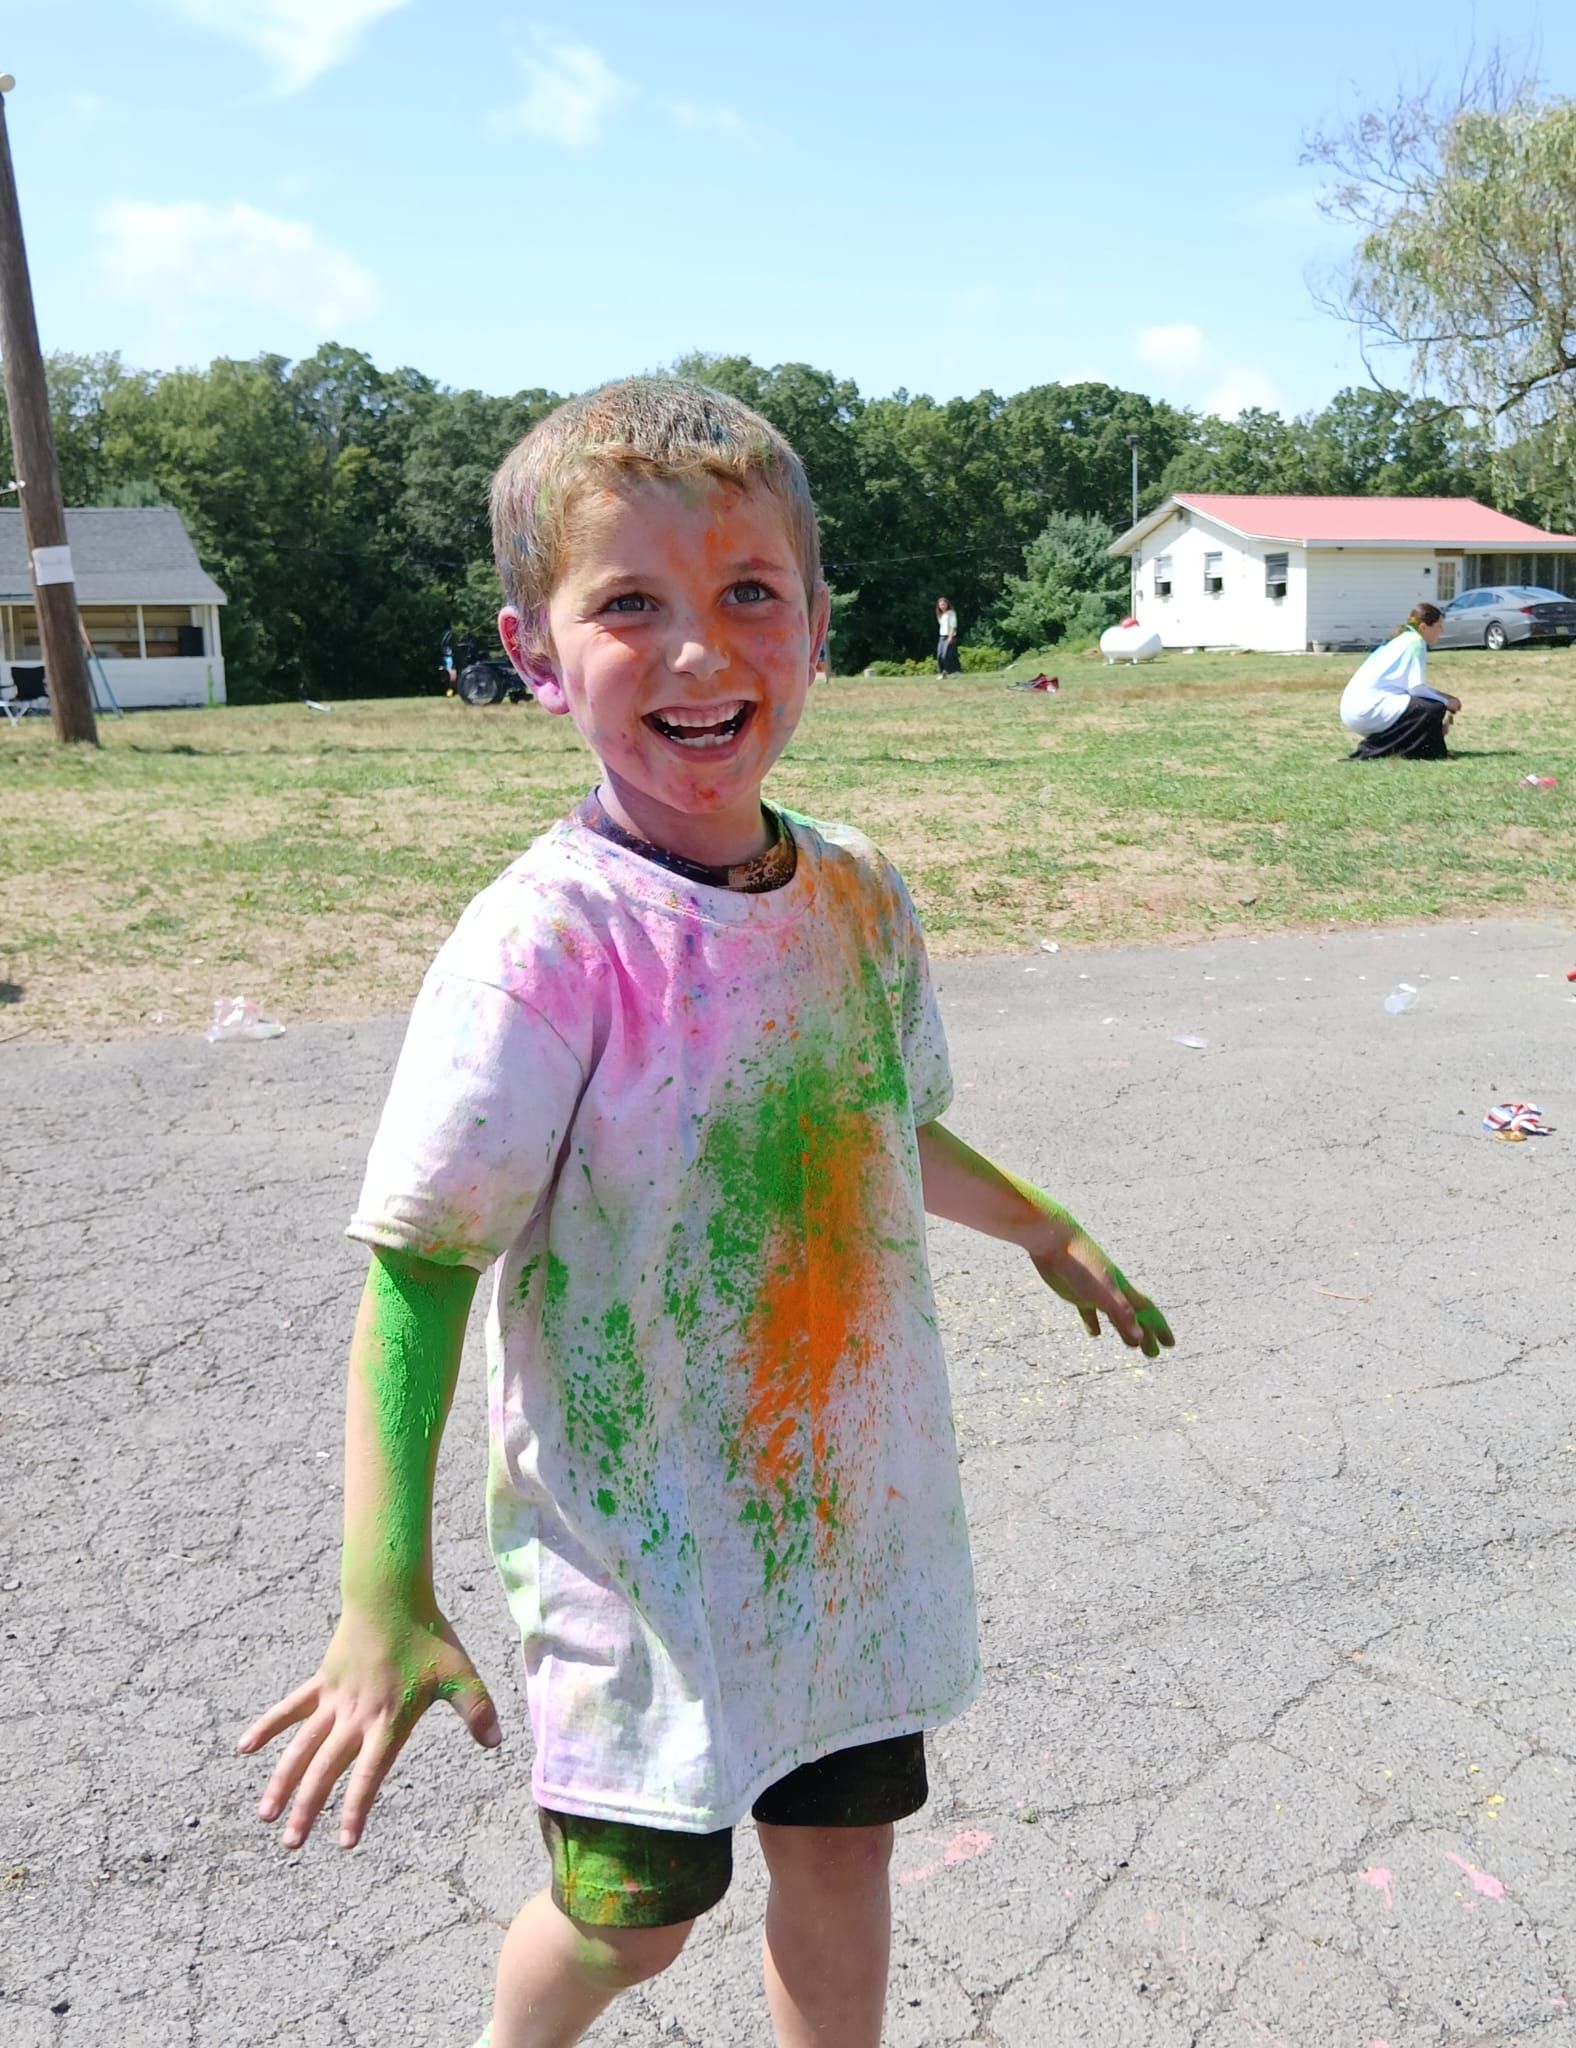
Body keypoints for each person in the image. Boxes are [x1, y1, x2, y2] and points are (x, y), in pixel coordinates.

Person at [239, 377, 1173, 2048]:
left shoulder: (856, 890)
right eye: (631, 605)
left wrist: (1040, 1222)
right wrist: (377, 1584)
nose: (699, 650)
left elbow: (881, 1129)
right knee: (631, 1917)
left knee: (839, 1848)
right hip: (640, 1553)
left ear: (817, 624)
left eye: (749, 592)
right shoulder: (546, 943)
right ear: (534, 654)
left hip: (842, 1529)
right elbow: (422, 1262)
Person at [1339, 603, 1460, 759]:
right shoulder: (1416, 642)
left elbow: (1414, 689)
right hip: (1366, 711)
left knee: (1429, 706)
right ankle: (1375, 751)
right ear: (1423, 627)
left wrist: (1445, 700)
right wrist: (1445, 701)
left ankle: (1423, 749)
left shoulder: (1404, 639)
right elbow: (1416, 689)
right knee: (1433, 708)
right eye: (1439, 626)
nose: (1442, 631)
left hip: (1355, 710)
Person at [935, 595, 960, 675]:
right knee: (940, 655)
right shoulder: (940, 614)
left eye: (943, 604)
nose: (942, 606)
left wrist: (950, 637)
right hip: (941, 637)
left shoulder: (951, 613)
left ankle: (946, 672)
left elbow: (953, 625)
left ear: (947, 604)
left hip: (949, 636)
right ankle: (942, 671)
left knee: (946, 655)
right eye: (940, 605)